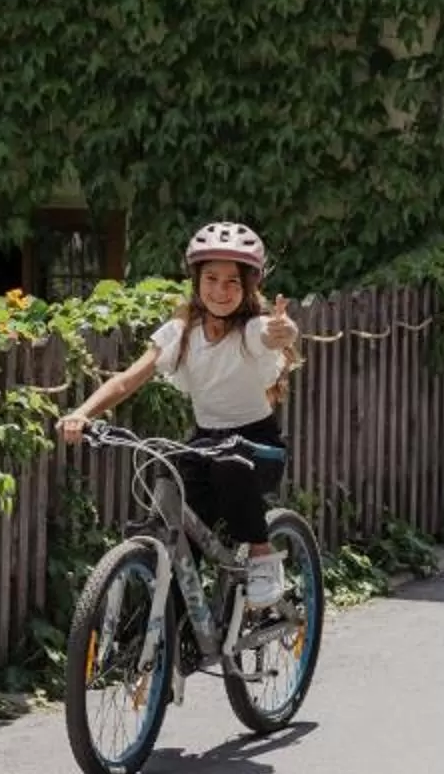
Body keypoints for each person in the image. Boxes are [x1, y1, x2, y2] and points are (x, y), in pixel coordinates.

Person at [57, 221, 303, 605]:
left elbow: (275, 333)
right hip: (205, 440)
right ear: (196, 280)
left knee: (230, 466)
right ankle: (177, 629)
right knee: (174, 512)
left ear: (249, 287)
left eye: (232, 282)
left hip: (257, 444)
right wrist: (82, 412)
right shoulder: (181, 331)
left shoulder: (253, 329)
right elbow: (127, 379)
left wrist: (283, 330)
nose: (220, 291)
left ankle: (261, 553)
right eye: (211, 278)